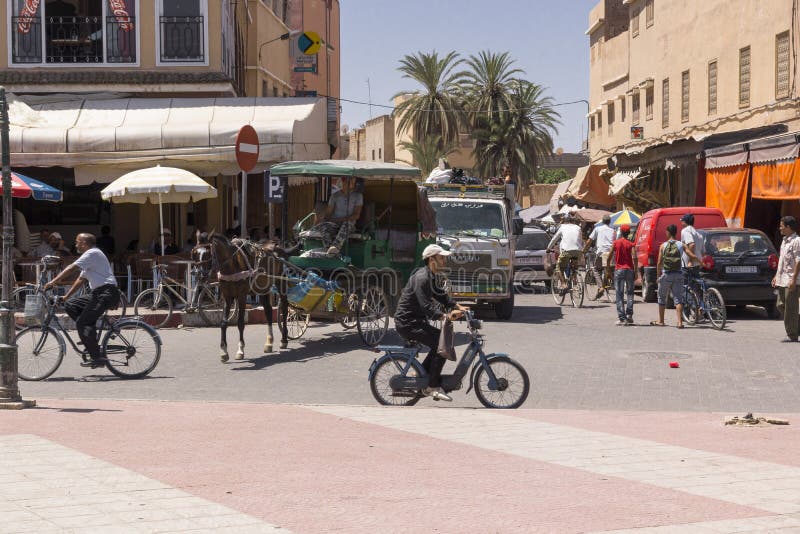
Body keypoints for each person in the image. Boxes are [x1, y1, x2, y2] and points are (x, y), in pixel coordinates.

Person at [394, 244, 467, 402]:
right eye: (441, 258)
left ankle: (422, 374)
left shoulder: (432, 276)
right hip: (407, 323)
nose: (444, 260)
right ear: (431, 260)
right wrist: (445, 316)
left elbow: (441, 296)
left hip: (415, 321)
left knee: (438, 343)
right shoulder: (422, 278)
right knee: (441, 345)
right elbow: (426, 306)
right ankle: (432, 386)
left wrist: (457, 306)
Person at [44, 233, 119, 368]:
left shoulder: (92, 253)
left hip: (106, 293)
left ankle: (97, 358)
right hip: (98, 293)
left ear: (84, 243)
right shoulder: (90, 257)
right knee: (71, 305)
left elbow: (71, 267)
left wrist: (53, 282)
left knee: (82, 323)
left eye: (77, 242)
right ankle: (88, 334)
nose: (76, 244)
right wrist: (66, 297)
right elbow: (81, 279)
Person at [312, 176, 363, 257]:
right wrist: (321, 219)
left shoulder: (358, 196)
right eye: (351, 181)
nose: (354, 184)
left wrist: (339, 219)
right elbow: (328, 214)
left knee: (347, 224)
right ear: (343, 181)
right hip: (335, 224)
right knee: (324, 226)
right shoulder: (335, 196)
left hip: (349, 225)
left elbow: (356, 215)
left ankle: (335, 247)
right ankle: (330, 253)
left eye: (354, 181)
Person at [772, 216, 800, 342]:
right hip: (782, 279)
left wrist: (794, 279)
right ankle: (795, 326)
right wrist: (776, 276)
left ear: (788, 227)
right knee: (780, 305)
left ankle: (792, 335)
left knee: (790, 307)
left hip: (791, 280)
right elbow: (782, 261)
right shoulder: (784, 241)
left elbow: (799, 260)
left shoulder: (797, 241)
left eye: (781, 226)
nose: (780, 228)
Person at [651, 224, 684, 328]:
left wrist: (658, 276)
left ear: (668, 232)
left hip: (666, 275)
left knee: (661, 297)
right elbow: (690, 254)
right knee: (678, 299)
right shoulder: (681, 245)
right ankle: (680, 322)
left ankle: (661, 321)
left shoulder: (663, 245)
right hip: (678, 274)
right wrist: (699, 262)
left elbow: (659, 262)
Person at [610, 224, 637, 325]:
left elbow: (609, 256)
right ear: (629, 233)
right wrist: (636, 271)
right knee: (630, 293)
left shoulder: (616, 243)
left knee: (619, 294)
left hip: (619, 270)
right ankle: (629, 316)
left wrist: (608, 268)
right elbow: (634, 257)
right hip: (629, 270)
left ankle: (622, 318)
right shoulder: (631, 244)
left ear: (620, 232)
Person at [546, 215, 584, 289]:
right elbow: (580, 240)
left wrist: (548, 248)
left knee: (558, 268)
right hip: (578, 251)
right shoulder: (578, 227)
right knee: (574, 267)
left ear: (564, 221)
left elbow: (554, 239)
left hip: (566, 251)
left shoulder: (562, 227)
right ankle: (574, 281)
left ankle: (563, 284)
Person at [583, 214, 616, 296]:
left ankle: (601, 287)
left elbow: (589, 241)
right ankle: (610, 282)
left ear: (602, 221)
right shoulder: (613, 230)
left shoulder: (597, 229)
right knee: (609, 269)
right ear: (609, 222)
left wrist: (584, 250)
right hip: (611, 253)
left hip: (601, 252)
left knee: (595, 269)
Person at [680, 213, 704, 291]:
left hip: (688, 266)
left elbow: (692, 244)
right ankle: (698, 302)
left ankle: (688, 302)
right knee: (696, 288)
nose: (681, 223)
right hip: (697, 265)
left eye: (682, 221)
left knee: (686, 288)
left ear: (685, 222)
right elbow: (703, 252)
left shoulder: (685, 231)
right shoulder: (698, 234)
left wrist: (690, 261)